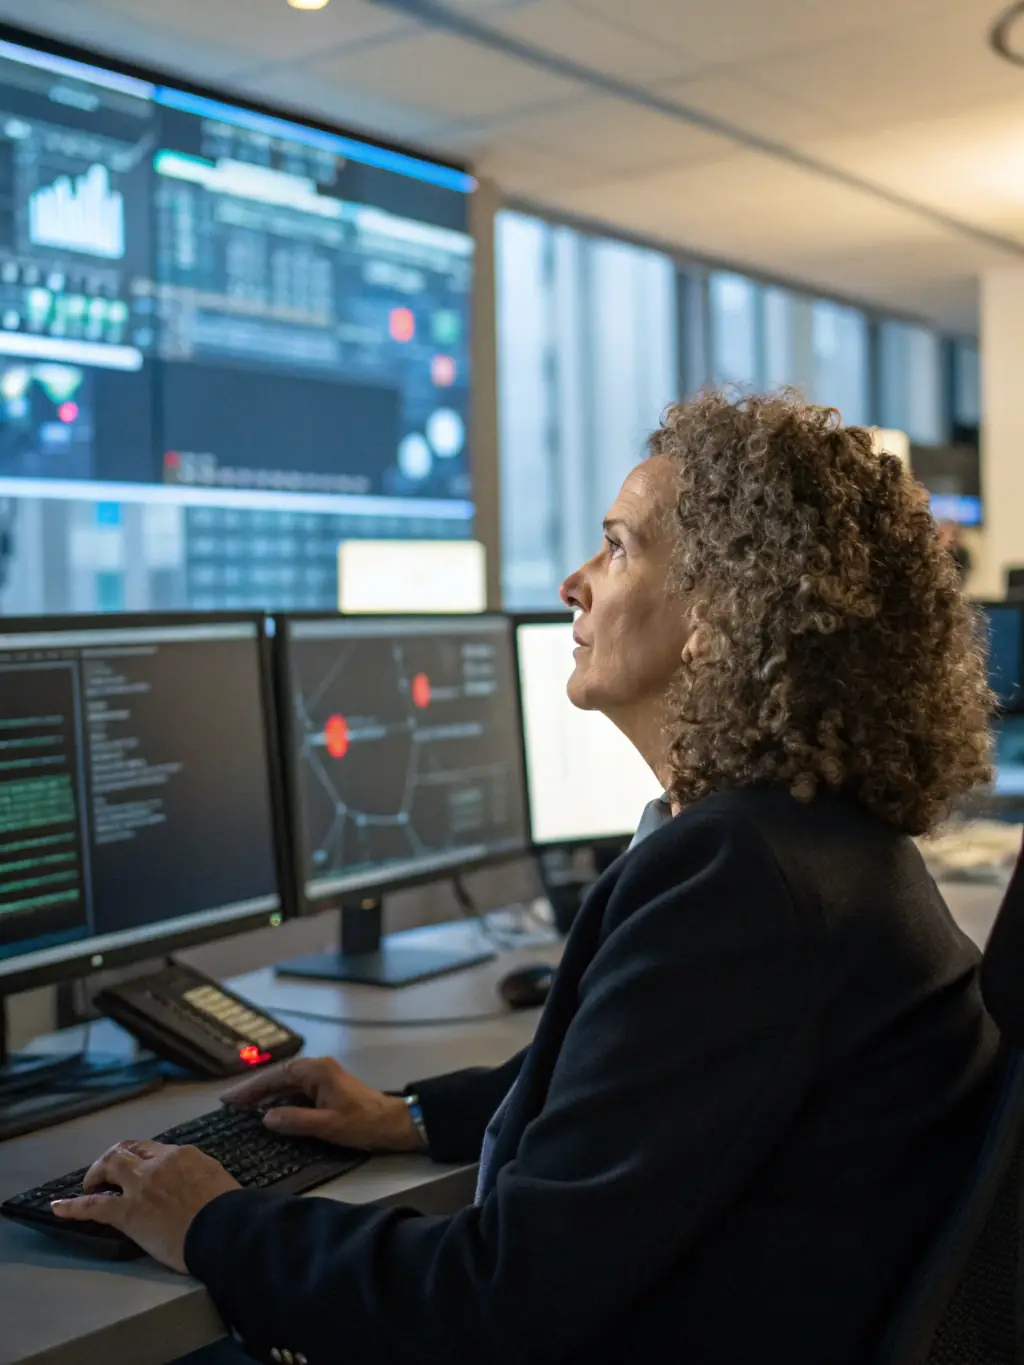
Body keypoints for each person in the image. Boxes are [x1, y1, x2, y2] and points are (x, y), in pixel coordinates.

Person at [54, 392, 1000, 1365]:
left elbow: (493, 1300)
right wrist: (410, 1116)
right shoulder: (813, 844)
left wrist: (212, 1221)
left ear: (715, 618)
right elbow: (645, 1085)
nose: (571, 583)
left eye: (618, 548)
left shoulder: (741, 880)